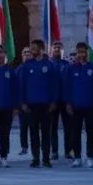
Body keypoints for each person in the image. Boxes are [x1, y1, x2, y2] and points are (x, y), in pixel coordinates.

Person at [19, 38, 59, 168]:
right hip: (31, 105)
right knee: (33, 132)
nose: (32, 50)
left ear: (41, 49)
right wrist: (23, 102)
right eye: (31, 48)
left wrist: (53, 101)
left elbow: (55, 85)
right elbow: (22, 85)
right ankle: (35, 158)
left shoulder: (49, 65)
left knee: (46, 132)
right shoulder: (27, 65)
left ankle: (46, 158)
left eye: (34, 48)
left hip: (46, 105)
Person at [63, 42, 93, 169]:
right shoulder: (71, 69)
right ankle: (77, 157)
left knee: (91, 132)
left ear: (88, 53)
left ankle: (90, 157)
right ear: (76, 53)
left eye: (83, 52)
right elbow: (67, 88)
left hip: (91, 106)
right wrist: (68, 103)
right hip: (75, 106)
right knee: (75, 133)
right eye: (79, 52)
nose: (81, 54)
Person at [49, 40, 70, 160]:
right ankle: (54, 151)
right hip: (53, 101)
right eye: (55, 47)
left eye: (59, 47)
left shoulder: (67, 65)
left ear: (63, 50)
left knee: (68, 127)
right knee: (53, 127)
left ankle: (68, 151)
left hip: (65, 101)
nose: (57, 49)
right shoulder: (48, 65)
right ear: (51, 50)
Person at [15, 48, 32, 157]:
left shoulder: (35, 66)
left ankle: (37, 146)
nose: (27, 55)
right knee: (23, 126)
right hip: (22, 103)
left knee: (35, 126)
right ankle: (24, 146)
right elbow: (17, 87)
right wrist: (20, 103)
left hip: (35, 102)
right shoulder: (19, 69)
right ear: (22, 55)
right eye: (25, 53)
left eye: (29, 53)